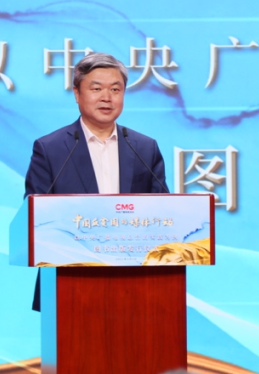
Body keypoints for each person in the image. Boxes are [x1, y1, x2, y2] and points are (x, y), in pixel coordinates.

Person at [24, 52, 168, 311]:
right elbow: (35, 218)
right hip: (69, 282)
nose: (107, 97)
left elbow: (164, 214)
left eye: (115, 89)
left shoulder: (144, 148)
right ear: (77, 93)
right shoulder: (51, 149)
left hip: (137, 283)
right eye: (96, 88)